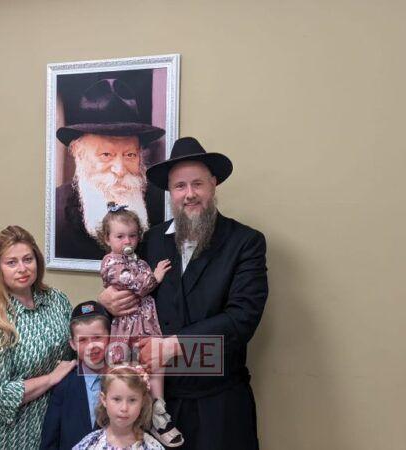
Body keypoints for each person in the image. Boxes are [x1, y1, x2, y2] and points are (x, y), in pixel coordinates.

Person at [99, 137, 269, 450]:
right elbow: (126, 290)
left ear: (213, 184)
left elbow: (242, 319)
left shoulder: (245, 242)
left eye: (197, 184)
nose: (189, 194)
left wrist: (171, 346)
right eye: (180, 186)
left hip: (219, 404)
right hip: (156, 406)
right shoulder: (148, 242)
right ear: (170, 192)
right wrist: (104, 302)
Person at [0, 225, 77, 450]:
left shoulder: (57, 300)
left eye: (28, 259)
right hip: (12, 436)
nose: (22, 268)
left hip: (56, 426)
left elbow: (77, 348)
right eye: (11, 262)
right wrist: (50, 379)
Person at [95, 203, 183, 447]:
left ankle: (158, 408)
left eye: (133, 236)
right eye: (120, 236)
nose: (128, 241)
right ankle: (121, 423)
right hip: (128, 326)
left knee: (156, 363)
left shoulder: (138, 260)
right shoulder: (111, 262)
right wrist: (156, 276)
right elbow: (138, 285)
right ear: (107, 238)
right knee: (127, 371)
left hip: (147, 323)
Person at [55, 78, 165, 260]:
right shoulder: (57, 210)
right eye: (106, 155)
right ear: (78, 154)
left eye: (130, 155)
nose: (120, 170)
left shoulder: (160, 204)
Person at [40, 301, 112, 450]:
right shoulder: (64, 385)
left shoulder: (123, 379)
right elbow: (50, 440)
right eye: (83, 340)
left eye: (98, 337)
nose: (91, 346)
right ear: (73, 344)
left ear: (110, 336)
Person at [73, 366, 165, 450]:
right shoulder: (89, 444)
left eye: (132, 400)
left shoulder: (153, 447)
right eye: (117, 399)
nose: (124, 408)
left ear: (142, 401)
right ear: (104, 399)